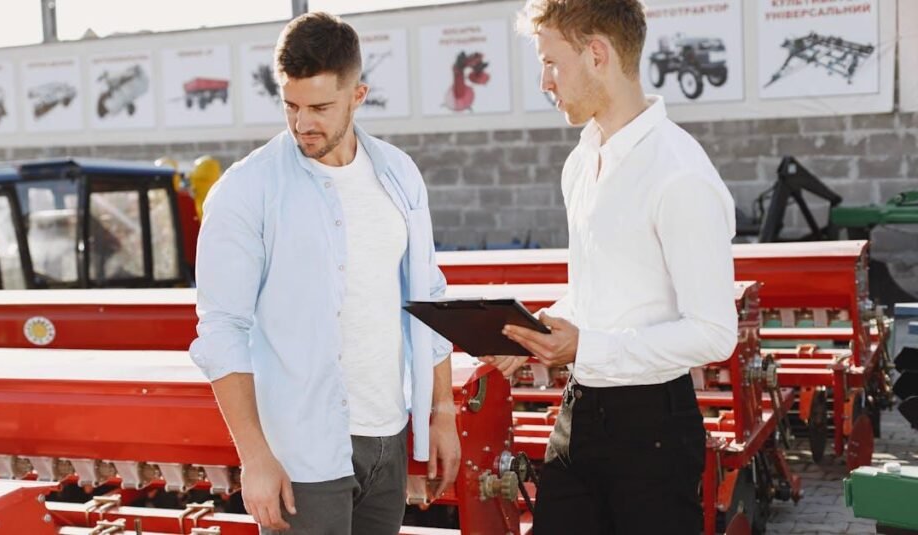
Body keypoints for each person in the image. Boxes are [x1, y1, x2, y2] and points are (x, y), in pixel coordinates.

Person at [189, 12, 460, 535]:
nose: (302, 123)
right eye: (290, 105)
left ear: (358, 95)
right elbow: (221, 328)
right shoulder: (248, 191)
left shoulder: (399, 174)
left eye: (319, 107)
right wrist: (255, 457)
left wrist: (442, 410)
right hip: (302, 453)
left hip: (388, 437)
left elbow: (428, 295)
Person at [480, 1, 738, 533]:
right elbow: (600, 291)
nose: (545, 80)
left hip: (654, 433)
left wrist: (584, 346)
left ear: (597, 53)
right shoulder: (582, 159)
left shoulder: (680, 173)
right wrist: (533, 331)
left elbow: (715, 335)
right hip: (579, 414)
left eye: (552, 62)